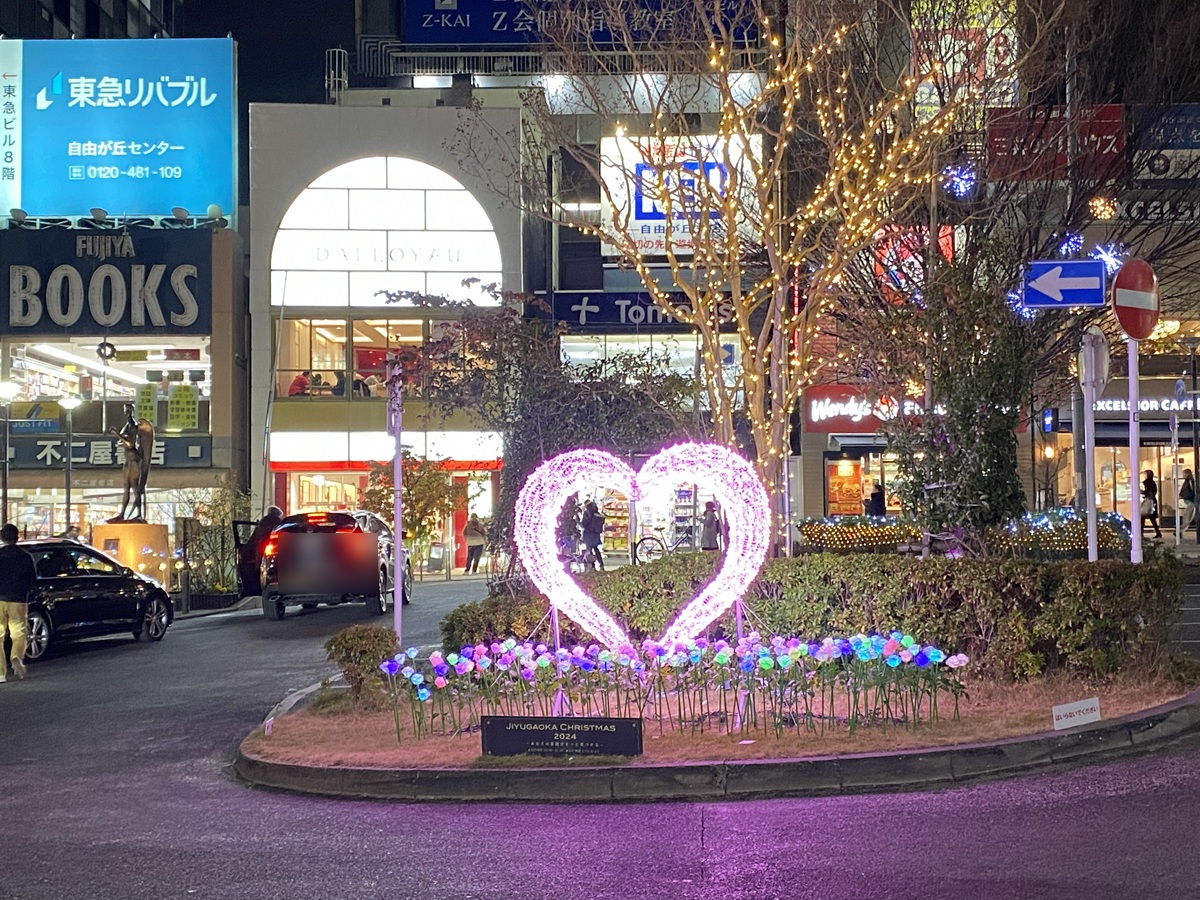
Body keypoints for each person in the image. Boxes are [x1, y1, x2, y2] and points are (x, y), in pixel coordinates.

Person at [0, 523, 37, 682]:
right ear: (17, 537)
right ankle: (16, 656)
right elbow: (32, 580)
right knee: (19, 633)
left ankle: (0, 673)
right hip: (18, 600)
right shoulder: (25, 557)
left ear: (2, 538)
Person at [580, 499, 606, 571]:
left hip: (588, 533)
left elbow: (584, 524)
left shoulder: (587, 513)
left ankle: (592, 566)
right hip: (595, 534)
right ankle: (601, 565)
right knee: (596, 549)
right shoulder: (596, 512)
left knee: (589, 550)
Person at [1141, 469, 1163, 540]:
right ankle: (1158, 533)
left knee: (1143, 516)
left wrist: (1142, 492)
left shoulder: (1149, 483)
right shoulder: (1152, 483)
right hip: (1151, 501)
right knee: (1151, 518)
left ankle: (1141, 533)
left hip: (1149, 502)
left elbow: (1148, 492)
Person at [1180, 468, 1196, 532]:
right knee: (1187, 516)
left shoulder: (1189, 481)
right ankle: (1181, 530)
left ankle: (1181, 530)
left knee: (1187, 516)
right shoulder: (1188, 481)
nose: (1182, 475)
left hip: (1191, 501)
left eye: (1183, 473)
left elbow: (1192, 491)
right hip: (1189, 500)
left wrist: (1183, 495)